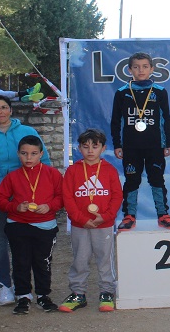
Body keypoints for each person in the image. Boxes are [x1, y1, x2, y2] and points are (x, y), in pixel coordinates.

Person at [0, 95, 52, 307]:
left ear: (11, 110)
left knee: (24, 244)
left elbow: (45, 163)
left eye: (4, 108)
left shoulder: (27, 132)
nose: (0, 112)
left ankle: (23, 287)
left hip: (26, 197)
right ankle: (4, 286)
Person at [0, 135, 63, 314]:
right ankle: (23, 296)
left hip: (45, 225)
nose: (28, 158)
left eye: (33, 153)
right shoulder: (12, 176)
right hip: (18, 224)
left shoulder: (52, 174)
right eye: (24, 153)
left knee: (43, 262)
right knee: (21, 261)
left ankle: (43, 295)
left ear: (41, 154)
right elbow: (0, 199)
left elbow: (61, 197)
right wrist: (15, 207)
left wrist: (49, 206)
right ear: (18, 154)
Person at [110, 52, 170, 230]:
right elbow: (116, 121)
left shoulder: (160, 92)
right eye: (136, 67)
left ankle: (163, 214)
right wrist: (117, 144)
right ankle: (129, 216)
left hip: (155, 146)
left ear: (152, 69)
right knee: (131, 181)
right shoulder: (122, 93)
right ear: (130, 69)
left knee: (157, 180)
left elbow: (166, 119)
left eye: (145, 66)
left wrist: (167, 142)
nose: (141, 70)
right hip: (131, 147)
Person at [60, 129, 123, 313]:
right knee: (80, 259)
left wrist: (106, 216)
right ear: (79, 148)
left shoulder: (109, 170)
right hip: (81, 225)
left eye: (94, 146)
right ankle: (78, 294)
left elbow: (117, 196)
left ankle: (107, 292)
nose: (90, 150)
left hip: (103, 224)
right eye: (85, 146)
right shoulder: (72, 171)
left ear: (102, 148)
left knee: (105, 259)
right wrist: (80, 218)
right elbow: (67, 198)